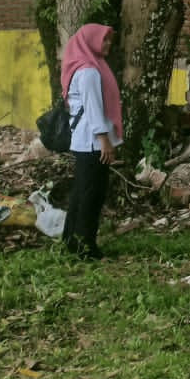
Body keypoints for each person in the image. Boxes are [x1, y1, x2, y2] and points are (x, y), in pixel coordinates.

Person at [61, 23, 123, 261]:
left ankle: (71, 239)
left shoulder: (88, 66)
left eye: (109, 40)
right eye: (104, 40)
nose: (108, 44)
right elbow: (94, 109)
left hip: (86, 140)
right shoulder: (89, 71)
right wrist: (105, 141)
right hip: (93, 142)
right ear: (90, 42)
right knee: (91, 196)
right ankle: (86, 249)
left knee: (81, 193)